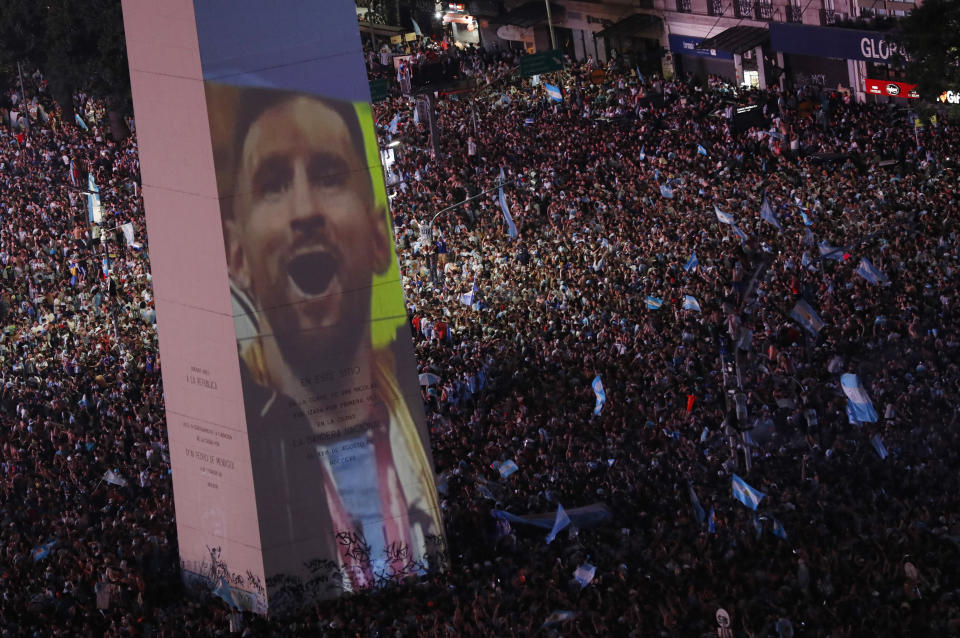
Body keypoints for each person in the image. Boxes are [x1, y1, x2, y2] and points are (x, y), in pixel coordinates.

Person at [213, 84, 445, 598]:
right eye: (273, 184)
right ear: (238, 255)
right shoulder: (241, 465)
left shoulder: (421, 416)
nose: (304, 210)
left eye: (329, 176)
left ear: (379, 235)